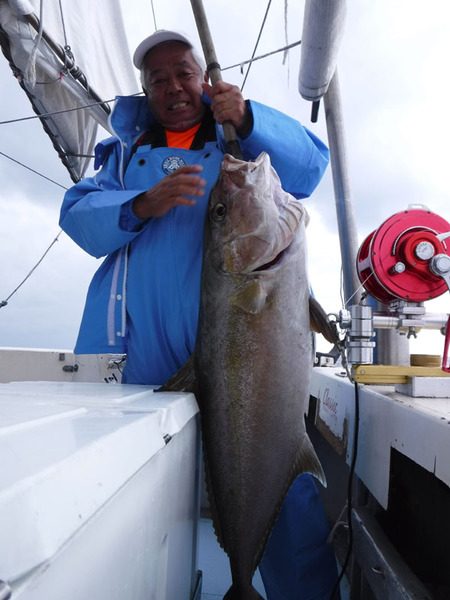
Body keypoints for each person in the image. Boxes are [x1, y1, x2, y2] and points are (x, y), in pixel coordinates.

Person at [60, 29, 337, 599]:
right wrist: (141, 203)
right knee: (129, 502)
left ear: (203, 79)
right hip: (139, 358)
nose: (173, 87)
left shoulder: (241, 143)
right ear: (145, 90)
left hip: (244, 354)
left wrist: (252, 116)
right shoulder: (121, 156)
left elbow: (309, 170)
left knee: (285, 494)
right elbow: (80, 219)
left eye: (183, 73)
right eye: (157, 79)